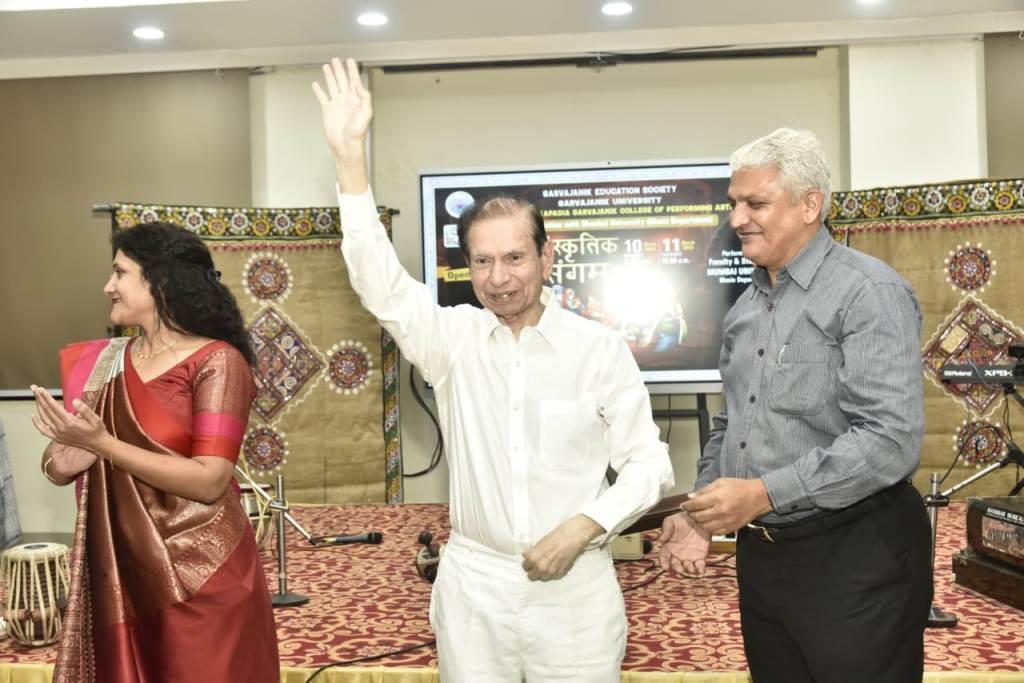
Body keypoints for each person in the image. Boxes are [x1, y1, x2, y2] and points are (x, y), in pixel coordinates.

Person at [313, 58, 674, 682]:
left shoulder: (598, 349)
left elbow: (650, 465)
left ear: (546, 256)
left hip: (577, 592)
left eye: (514, 258)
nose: (499, 278)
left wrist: (584, 526)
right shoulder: (451, 340)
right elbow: (380, 284)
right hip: (474, 589)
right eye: (482, 262)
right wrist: (350, 160)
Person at [659, 127, 932, 682]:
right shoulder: (744, 309)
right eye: (733, 203)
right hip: (763, 561)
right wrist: (700, 512)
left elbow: (889, 441)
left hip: (856, 559)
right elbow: (732, 423)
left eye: (755, 203)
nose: (737, 219)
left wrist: (763, 494)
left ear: (810, 205)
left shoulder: (869, 293)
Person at [31, 222, 279, 683]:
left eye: (120, 272)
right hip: (124, 580)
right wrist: (59, 462)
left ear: (160, 279)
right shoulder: (105, 362)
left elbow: (210, 479)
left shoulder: (217, 361)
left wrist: (105, 446)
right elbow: (62, 459)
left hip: (205, 581)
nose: (108, 286)